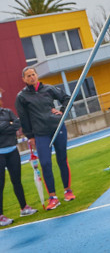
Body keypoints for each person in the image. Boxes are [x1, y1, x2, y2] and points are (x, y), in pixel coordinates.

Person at [15, 67, 75, 211]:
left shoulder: (48, 89)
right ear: (24, 79)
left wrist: (61, 111)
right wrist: (30, 137)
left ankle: (68, 190)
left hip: (57, 127)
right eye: (28, 76)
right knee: (46, 163)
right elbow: (23, 119)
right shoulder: (21, 97)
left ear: (37, 75)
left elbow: (67, 98)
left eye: (33, 74)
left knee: (62, 159)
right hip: (40, 134)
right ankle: (53, 197)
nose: (31, 77)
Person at [0, 88, 37, 226]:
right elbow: (7, 127)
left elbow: (17, 123)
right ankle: (0, 216)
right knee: (0, 184)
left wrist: (8, 125)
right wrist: (8, 125)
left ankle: (24, 208)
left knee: (17, 181)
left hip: (12, 151)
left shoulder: (7, 111)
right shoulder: (7, 116)